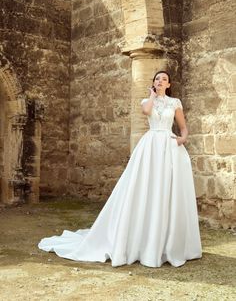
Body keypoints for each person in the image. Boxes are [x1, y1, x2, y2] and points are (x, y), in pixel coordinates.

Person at [38, 70, 202, 268]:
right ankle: (143, 242)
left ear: (169, 84)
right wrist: (152, 94)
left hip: (170, 146)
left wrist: (182, 139)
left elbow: (183, 127)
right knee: (146, 188)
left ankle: (166, 243)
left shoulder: (175, 102)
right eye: (157, 79)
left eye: (164, 79)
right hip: (150, 147)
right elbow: (147, 111)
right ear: (153, 82)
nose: (160, 81)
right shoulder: (146, 100)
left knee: (167, 190)